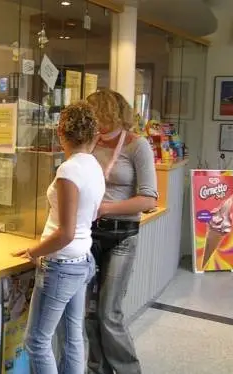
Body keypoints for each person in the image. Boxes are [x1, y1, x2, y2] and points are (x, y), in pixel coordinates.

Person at [13, 101, 104, 374]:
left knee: (37, 342)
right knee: (73, 337)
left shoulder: (69, 170)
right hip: (82, 260)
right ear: (93, 134)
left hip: (62, 265)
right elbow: (92, 214)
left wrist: (35, 251)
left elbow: (65, 232)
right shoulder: (95, 167)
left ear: (61, 132)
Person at [85, 89, 158, 374]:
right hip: (89, 235)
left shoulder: (136, 146)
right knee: (89, 313)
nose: (97, 125)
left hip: (122, 235)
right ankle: (96, 370)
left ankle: (129, 370)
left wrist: (105, 208)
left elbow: (149, 199)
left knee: (108, 312)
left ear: (112, 114)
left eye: (99, 117)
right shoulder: (90, 144)